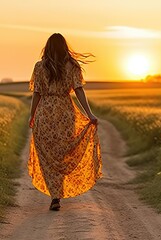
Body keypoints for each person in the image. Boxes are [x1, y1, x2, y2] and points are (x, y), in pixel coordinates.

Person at [28, 33, 103, 211]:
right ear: (64, 47)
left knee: (48, 155)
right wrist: (89, 114)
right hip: (65, 113)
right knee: (62, 154)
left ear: (47, 47)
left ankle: (55, 195)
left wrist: (32, 115)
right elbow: (79, 91)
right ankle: (57, 194)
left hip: (45, 114)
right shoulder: (73, 66)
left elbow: (37, 93)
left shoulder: (39, 67)